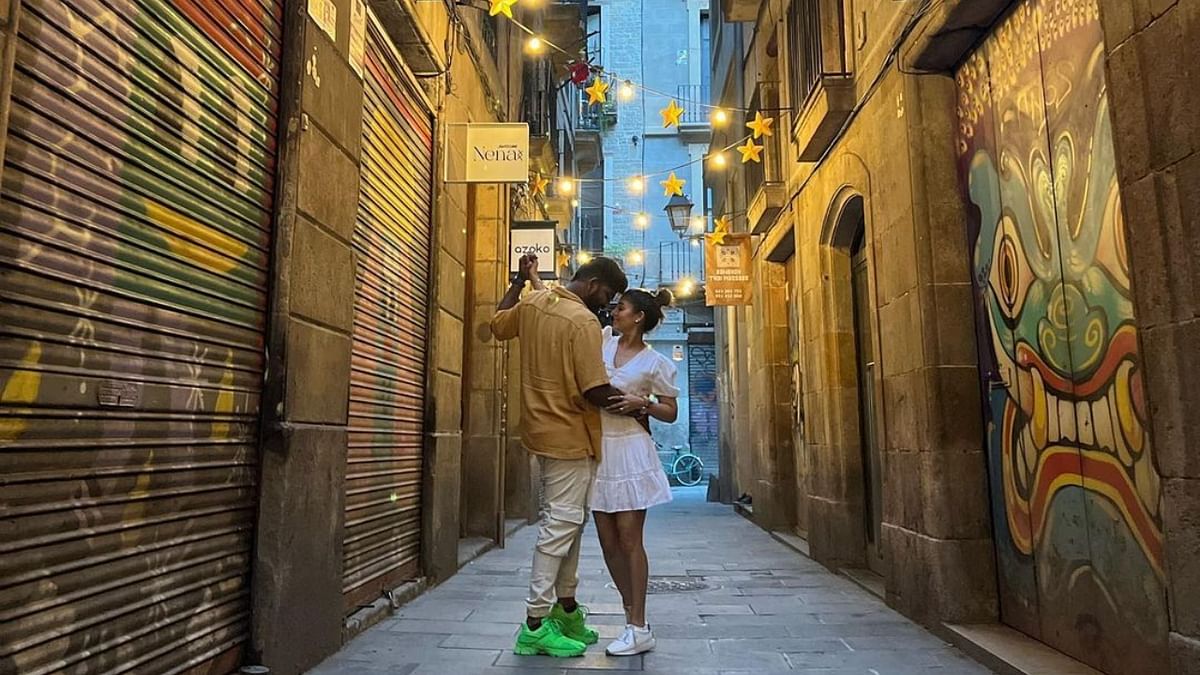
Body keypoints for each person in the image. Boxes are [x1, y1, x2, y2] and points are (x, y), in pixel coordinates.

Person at [490, 253, 636, 658]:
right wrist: (639, 404)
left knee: (570, 523)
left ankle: (566, 608)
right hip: (571, 434)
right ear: (591, 285)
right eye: (606, 295)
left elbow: (498, 324)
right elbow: (593, 388)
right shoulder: (583, 322)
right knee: (561, 525)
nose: (607, 304)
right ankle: (535, 624)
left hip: (541, 429)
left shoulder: (536, 303)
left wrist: (521, 282)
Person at [591, 288, 679, 656]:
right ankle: (632, 617)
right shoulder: (602, 342)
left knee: (629, 539)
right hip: (597, 448)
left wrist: (643, 402)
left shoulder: (655, 362)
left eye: (621, 307)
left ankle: (638, 624)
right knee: (607, 542)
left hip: (630, 449)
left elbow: (670, 411)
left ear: (638, 316)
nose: (615, 312)